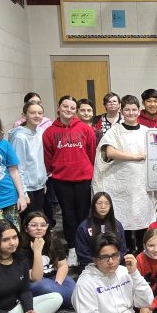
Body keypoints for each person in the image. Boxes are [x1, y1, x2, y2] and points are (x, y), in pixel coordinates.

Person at [93, 94, 156, 254]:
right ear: (122, 111)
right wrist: (135, 157)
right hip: (121, 184)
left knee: (142, 217)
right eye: (127, 110)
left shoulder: (147, 132)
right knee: (123, 220)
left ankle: (142, 252)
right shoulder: (115, 131)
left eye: (134, 109)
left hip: (141, 183)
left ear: (139, 111)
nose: (131, 113)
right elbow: (110, 152)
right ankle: (126, 251)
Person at [43, 95, 97, 264]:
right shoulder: (50, 132)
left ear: (76, 110)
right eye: (65, 106)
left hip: (83, 179)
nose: (69, 110)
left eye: (72, 108)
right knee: (68, 215)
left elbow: (92, 153)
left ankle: (84, 247)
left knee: (83, 214)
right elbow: (48, 157)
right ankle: (72, 248)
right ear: (59, 108)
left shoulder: (85, 129)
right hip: (62, 180)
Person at [21, 211, 76, 308]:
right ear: (26, 228)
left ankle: (62, 300)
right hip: (36, 282)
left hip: (54, 277)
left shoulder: (53, 240)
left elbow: (62, 265)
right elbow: (36, 278)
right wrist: (37, 251)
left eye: (43, 225)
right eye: (34, 225)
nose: (39, 228)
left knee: (74, 289)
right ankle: (74, 301)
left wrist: (57, 284)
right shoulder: (21, 247)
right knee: (45, 286)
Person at [9, 100, 48, 218]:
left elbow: (40, 160)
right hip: (27, 189)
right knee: (28, 221)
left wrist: (43, 181)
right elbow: (18, 168)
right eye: (32, 113)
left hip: (39, 186)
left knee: (37, 219)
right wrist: (23, 193)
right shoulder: (20, 137)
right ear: (24, 115)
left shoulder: (39, 131)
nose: (37, 116)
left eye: (40, 113)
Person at [75, 192, 127, 266]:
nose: (103, 206)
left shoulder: (117, 225)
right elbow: (82, 253)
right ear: (93, 205)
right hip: (92, 266)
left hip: (114, 264)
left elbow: (122, 249)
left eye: (107, 203)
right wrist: (100, 264)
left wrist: (113, 261)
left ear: (110, 206)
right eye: (99, 203)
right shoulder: (84, 227)